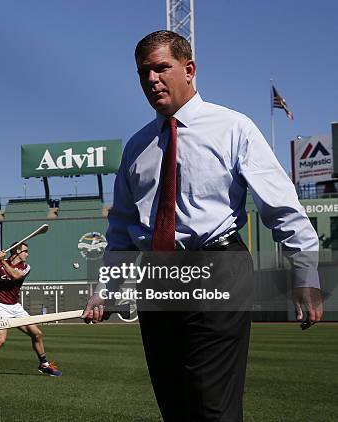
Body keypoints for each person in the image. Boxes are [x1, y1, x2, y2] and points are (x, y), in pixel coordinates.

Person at [82, 30, 323, 421]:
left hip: (218, 269)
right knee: (174, 404)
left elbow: (280, 205)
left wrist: (305, 271)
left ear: (189, 69)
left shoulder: (233, 128)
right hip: (156, 275)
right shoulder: (136, 148)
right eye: (144, 72)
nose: (152, 80)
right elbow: (122, 232)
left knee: (212, 404)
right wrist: (106, 289)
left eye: (162, 68)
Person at [0, 242, 62, 380]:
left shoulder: (25, 267)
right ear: (17, 251)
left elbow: (15, 275)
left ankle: (44, 365)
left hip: (16, 307)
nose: (27, 254)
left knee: (37, 334)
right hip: (1, 306)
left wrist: (1, 260)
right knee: (0, 339)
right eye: (25, 251)